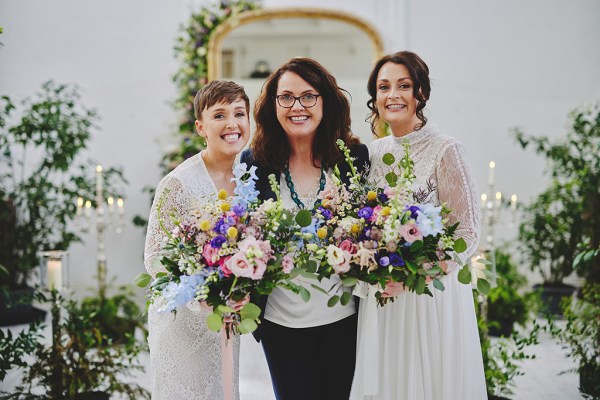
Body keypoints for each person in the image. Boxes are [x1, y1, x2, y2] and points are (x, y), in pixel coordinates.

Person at [350, 51, 487, 400]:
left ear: (420, 94)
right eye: (384, 87)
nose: (392, 94)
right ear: (375, 98)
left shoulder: (447, 150)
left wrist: (416, 277)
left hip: (429, 297)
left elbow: (467, 234)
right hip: (383, 299)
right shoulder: (374, 153)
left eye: (403, 85)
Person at [241, 57, 369, 400]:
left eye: (308, 96)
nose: (297, 106)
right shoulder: (255, 163)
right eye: (286, 97)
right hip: (280, 322)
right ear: (273, 105)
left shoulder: (353, 158)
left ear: (325, 101)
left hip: (344, 319)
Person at [144, 80, 251, 400]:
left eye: (239, 113)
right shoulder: (177, 183)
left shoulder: (251, 176)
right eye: (219, 115)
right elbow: (155, 257)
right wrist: (200, 297)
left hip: (228, 318)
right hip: (181, 321)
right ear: (200, 126)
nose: (232, 124)